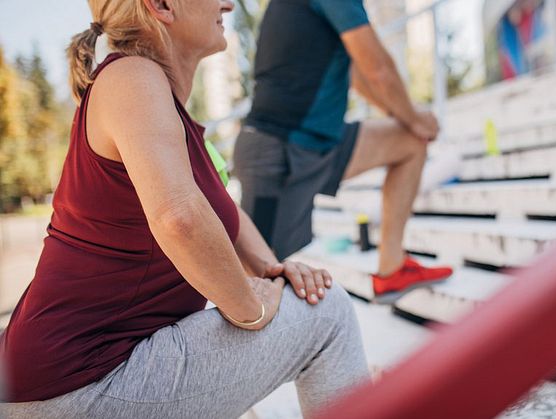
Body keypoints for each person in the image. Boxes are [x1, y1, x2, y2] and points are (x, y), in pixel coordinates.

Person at [0, 0, 368, 417]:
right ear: (161, 5)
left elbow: (218, 208)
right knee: (328, 313)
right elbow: (180, 218)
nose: (228, 3)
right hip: (78, 384)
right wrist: (252, 307)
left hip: (68, 377)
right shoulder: (131, 77)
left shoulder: (159, 106)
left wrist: (272, 269)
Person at [234, 0, 453, 302]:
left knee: (409, 142)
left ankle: (392, 269)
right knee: (257, 281)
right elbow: (378, 69)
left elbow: (359, 75)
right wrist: (416, 118)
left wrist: (408, 124)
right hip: (277, 151)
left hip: (321, 143)